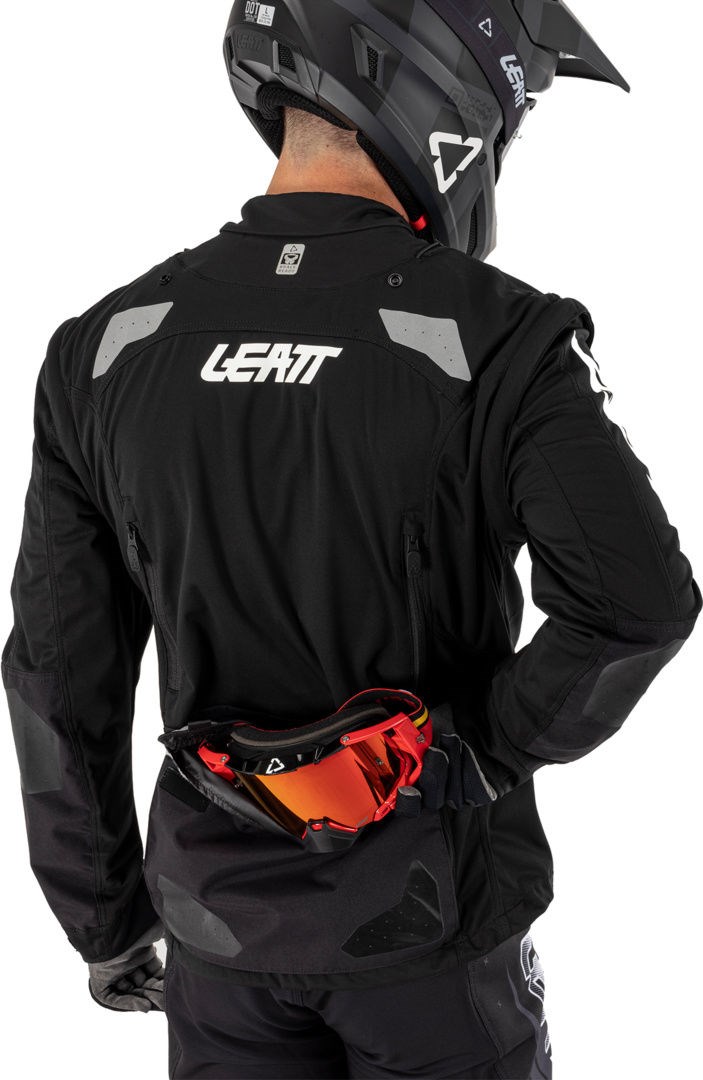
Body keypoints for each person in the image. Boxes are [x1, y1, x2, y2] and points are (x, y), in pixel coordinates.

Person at [3, 1, 700, 1077]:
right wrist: (468, 752)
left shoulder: (103, 348)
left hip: (216, 932)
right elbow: (635, 604)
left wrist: (102, 915)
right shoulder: (501, 337)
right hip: (431, 934)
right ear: (443, 95)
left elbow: (58, 668)